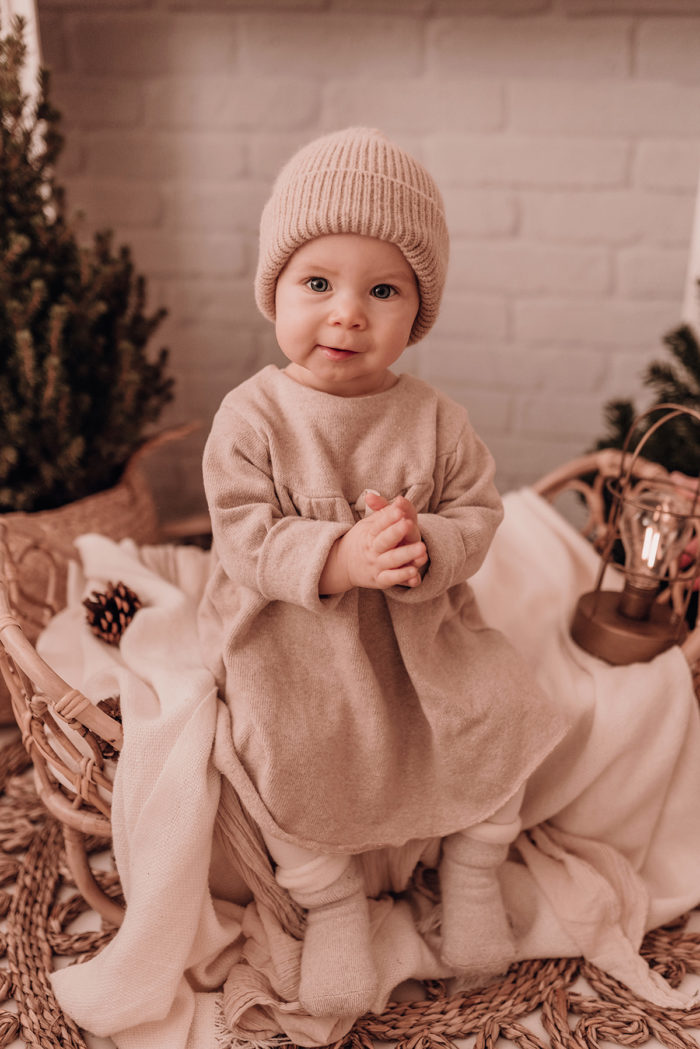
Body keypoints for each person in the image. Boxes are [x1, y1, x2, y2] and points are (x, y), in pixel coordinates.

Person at [198, 127, 568, 1019]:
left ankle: (473, 873)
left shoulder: (436, 419)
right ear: (274, 291)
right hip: (297, 635)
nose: (347, 313)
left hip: (416, 630)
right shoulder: (252, 417)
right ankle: (332, 910)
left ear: (418, 312)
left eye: (383, 289)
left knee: (502, 705)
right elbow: (241, 533)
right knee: (280, 742)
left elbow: (479, 513)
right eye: (317, 283)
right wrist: (334, 556)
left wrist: (427, 547)